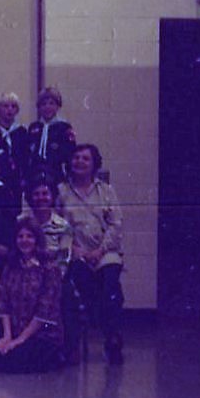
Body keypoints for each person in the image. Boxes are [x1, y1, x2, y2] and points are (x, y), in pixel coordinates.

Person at [58, 143, 125, 363]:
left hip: (104, 252)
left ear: (94, 164)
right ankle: (104, 327)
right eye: (76, 158)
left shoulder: (106, 191)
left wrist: (100, 250)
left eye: (85, 159)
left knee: (111, 285)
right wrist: (76, 250)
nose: (80, 162)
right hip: (76, 252)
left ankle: (112, 338)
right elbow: (58, 226)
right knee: (83, 280)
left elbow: (116, 224)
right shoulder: (62, 191)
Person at [0, 219, 66, 373]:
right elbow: (2, 304)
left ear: (37, 239)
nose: (25, 240)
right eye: (20, 236)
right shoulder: (10, 267)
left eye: (29, 236)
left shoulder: (50, 268)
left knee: (15, 360)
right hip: (14, 332)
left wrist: (19, 341)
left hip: (42, 335)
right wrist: (7, 336)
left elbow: (44, 312)